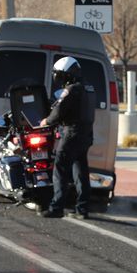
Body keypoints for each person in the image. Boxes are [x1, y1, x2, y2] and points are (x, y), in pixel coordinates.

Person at [42, 56, 95, 219]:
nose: (58, 77)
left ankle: (56, 207)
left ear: (67, 74)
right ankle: (82, 209)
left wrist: (47, 121)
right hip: (86, 134)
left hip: (71, 133)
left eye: (59, 74)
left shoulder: (71, 90)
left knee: (60, 169)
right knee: (80, 171)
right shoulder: (89, 88)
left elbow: (58, 111)